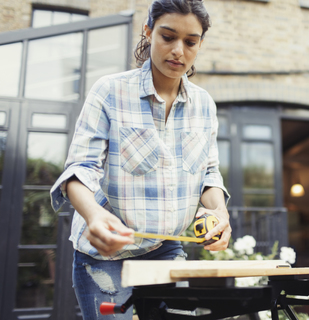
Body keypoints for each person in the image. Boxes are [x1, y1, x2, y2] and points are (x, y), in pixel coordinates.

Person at [50, 0, 231, 318]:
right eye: (168, 37)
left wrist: (220, 213)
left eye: (190, 42)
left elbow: (209, 173)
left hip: (166, 249)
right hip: (103, 255)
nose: (178, 50)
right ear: (148, 32)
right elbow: (81, 168)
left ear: (200, 44)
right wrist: (92, 215)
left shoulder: (204, 104)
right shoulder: (109, 91)